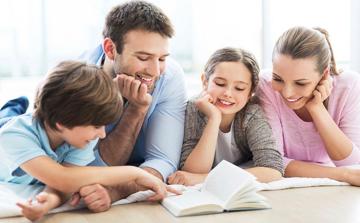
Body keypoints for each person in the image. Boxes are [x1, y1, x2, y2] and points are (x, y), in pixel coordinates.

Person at [0, 61, 178, 221]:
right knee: (7, 116)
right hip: (7, 128)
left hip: (40, 121)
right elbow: (62, 178)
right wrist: (135, 173)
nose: (102, 135)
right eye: (96, 126)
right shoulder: (14, 136)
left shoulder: (76, 137)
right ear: (61, 123)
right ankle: (13, 105)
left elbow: (65, 184)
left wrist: (48, 201)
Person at [75, 0, 187, 211]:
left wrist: (115, 191)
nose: (155, 71)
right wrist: (135, 110)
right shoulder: (77, 79)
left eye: (162, 58)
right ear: (110, 49)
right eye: (143, 57)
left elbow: (162, 160)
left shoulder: (169, 76)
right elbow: (92, 168)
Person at [257, 26, 360, 185]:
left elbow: (353, 164)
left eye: (300, 83)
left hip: (331, 188)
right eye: (278, 79)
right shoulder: (265, 84)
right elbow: (273, 162)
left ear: (324, 75)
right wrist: (344, 175)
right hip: (292, 185)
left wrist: (317, 108)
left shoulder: (349, 86)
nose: (287, 93)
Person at [167, 47, 284, 186]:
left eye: (239, 88)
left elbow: (273, 169)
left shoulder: (251, 114)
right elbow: (192, 172)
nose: (228, 93)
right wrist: (214, 119)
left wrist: (206, 178)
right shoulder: (194, 108)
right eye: (220, 84)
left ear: (250, 92)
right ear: (205, 81)